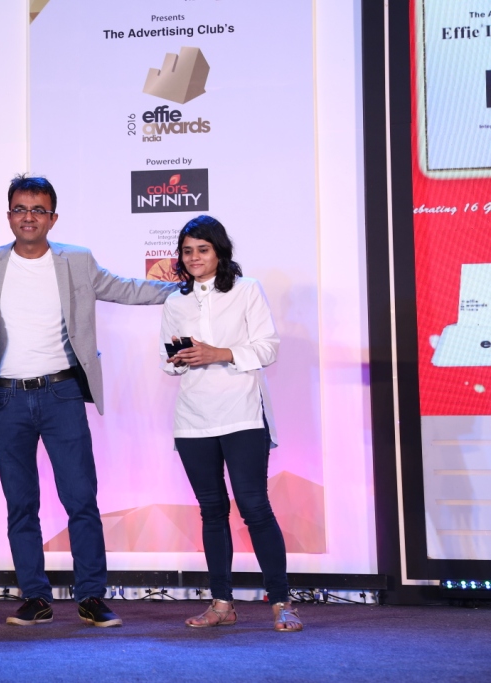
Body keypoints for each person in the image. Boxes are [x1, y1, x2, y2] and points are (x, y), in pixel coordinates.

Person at [0, 174, 176, 627]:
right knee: (21, 502)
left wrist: (185, 288)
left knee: (81, 498)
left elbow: (125, 288)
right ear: (9, 216)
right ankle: (35, 596)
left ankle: (91, 596)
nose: (28, 217)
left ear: (53, 218)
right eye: (20, 209)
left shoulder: (77, 261)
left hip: (62, 393)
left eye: (38, 210)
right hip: (4, 396)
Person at [160, 214, 303, 632]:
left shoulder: (246, 289)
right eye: (187, 251)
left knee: (255, 507)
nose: (194, 257)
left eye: (202, 249)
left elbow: (267, 348)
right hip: (193, 420)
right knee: (212, 512)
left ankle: (281, 602)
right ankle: (221, 603)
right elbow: (167, 364)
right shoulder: (175, 302)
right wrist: (179, 359)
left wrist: (218, 353)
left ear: (220, 252)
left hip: (242, 414)